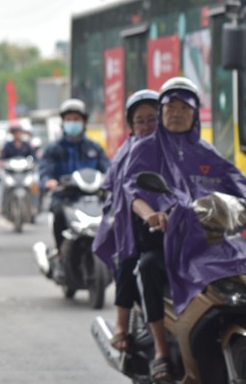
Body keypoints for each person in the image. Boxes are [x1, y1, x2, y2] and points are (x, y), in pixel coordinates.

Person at [119, 77, 246, 382]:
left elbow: (241, 186)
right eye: (170, 107)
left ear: (195, 113)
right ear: (162, 111)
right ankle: (162, 351)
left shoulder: (206, 151)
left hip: (209, 240)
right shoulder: (146, 147)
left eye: (184, 107)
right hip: (166, 237)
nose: (176, 113)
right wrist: (151, 214)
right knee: (150, 267)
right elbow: (132, 190)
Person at [91, 89, 160, 354]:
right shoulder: (126, 152)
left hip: (176, 222)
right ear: (131, 125)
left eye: (152, 119)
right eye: (140, 121)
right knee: (130, 261)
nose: (146, 126)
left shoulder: (175, 148)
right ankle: (121, 326)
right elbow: (120, 190)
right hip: (132, 222)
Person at [39, 98, 110, 254]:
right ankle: (61, 254)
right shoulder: (54, 149)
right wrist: (48, 181)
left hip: (92, 198)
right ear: (63, 123)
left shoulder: (94, 148)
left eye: (76, 119)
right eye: (69, 120)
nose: (72, 123)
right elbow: (45, 170)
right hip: (65, 198)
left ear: (84, 122)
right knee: (58, 213)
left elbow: (109, 170)